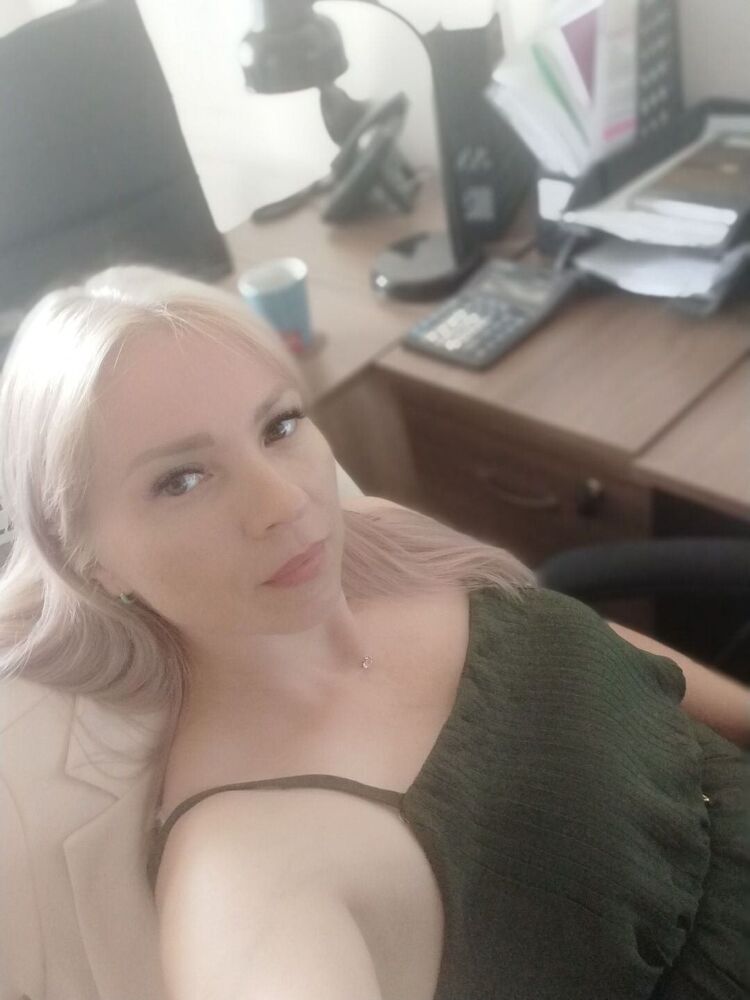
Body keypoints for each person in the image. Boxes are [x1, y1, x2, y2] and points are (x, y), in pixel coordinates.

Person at [0, 266, 748, 1000]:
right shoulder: (245, 872)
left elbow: (608, 660)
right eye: (182, 480)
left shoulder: (379, 538)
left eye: (279, 425)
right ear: (91, 561)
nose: (285, 502)